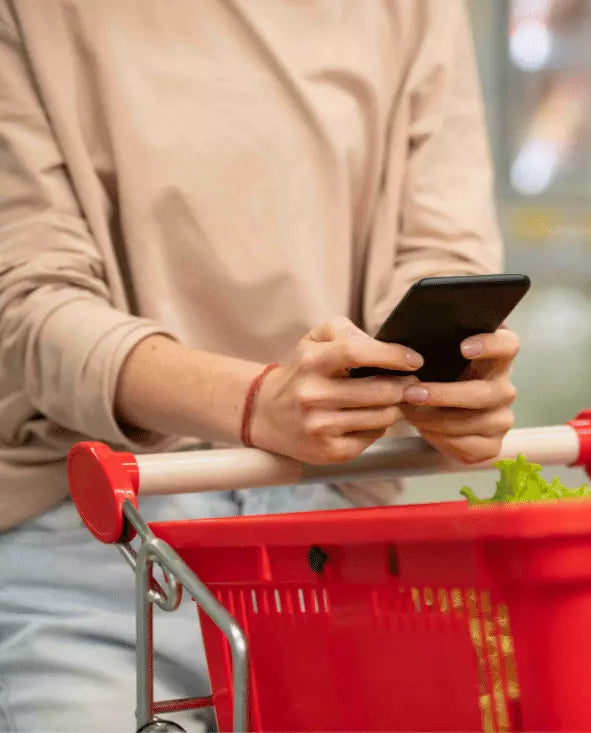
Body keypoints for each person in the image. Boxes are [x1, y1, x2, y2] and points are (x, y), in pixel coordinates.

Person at [0, 2, 517, 730]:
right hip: (97, 545)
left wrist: (447, 374)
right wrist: (258, 404)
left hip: (335, 539)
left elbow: (439, 250)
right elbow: (29, 305)